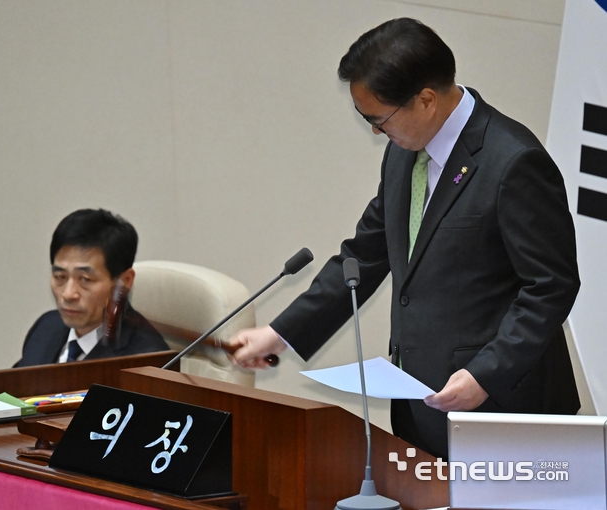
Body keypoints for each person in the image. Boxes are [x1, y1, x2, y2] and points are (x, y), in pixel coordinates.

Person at [227, 18, 581, 459]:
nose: (375, 132)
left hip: (502, 412)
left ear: (426, 100)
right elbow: (366, 256)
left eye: (379, 119)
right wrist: (282, 333)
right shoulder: (404, 152)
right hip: (422, 408)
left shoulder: (514, 162)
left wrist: (486, 374)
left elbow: (551, 287)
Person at [14, 209, 168, 367]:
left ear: (125, 281)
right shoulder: (45, 327)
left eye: (85, 279)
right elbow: (15, 389)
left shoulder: (146, 361)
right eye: (60, 277)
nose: (68, 294)